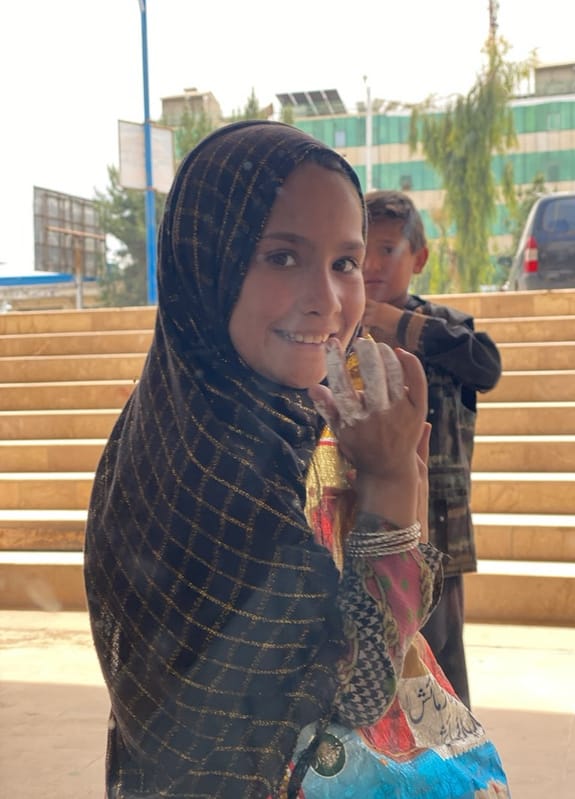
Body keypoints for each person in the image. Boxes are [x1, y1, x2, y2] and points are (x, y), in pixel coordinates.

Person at [84, 121, 510, 798]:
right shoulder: (220, 474)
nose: (329, 297)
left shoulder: (197, 412)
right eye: (282, 256)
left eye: (346, 261)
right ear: (207, 261)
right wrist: (395, 486)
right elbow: (360, 686)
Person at [361, 190, 503, 709]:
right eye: (361, 249)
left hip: (436, 529)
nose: (373, 263)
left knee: (440, 659)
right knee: (370, 658)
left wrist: (397, 324)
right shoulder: (335, 328)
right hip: (361, 522)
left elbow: (486, 367)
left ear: (419, 258)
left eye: (389, 249)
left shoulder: (445, 332)